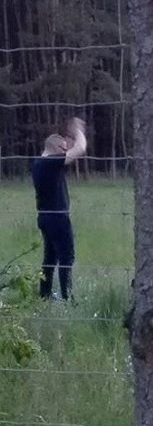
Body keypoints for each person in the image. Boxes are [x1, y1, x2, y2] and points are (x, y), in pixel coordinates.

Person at [31, 117, 88, 300]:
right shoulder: (50, 163)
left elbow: (72, 150)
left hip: (45, 217)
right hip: (57, 218)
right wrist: (78, 129)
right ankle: (67, 298)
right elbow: (80, 149)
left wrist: (68, 140)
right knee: (66, 257)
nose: (66, 151)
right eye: (63, 148)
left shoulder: (39, 163)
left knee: (50, 258)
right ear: (56, 149)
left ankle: (45, 294)